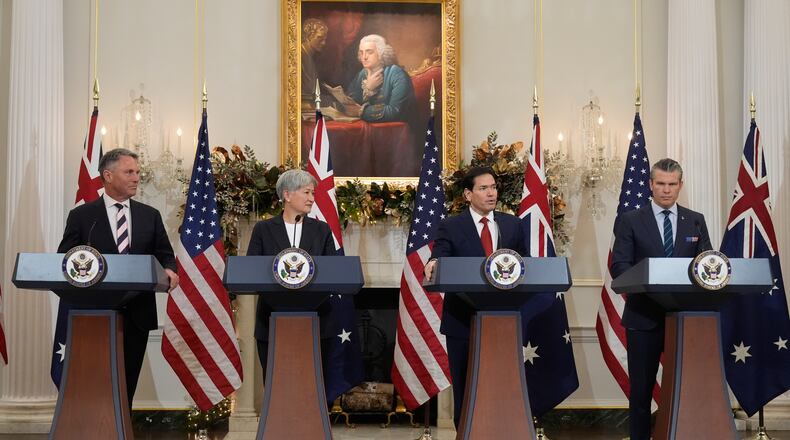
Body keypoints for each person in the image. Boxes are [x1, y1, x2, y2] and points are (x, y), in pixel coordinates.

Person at [57, 148, 179, 407]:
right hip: (94, 313)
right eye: (129, 172)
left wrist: (169, 270)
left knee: (127, 385)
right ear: (108, 175)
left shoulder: (150, 215)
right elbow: (64, 260)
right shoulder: (82, 217)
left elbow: (165, 255)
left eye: (137, 172)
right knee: (94, 385)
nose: (136, 177)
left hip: (138, 314)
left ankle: (123, 430)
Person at [610, 158, 712, 440]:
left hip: (686, 320)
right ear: (650, 185)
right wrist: (651, 283)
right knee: (641, 394)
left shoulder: (695, 220)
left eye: (672, 184)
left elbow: (707, 266)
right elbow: (619, 267)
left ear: (680, 185)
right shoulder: (630, 220)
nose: (666, 190)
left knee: (689, 389)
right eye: (661, 184)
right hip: (644, 318)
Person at [424, 166, 527, 427]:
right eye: (484, 188)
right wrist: (434, 262)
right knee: (466, 387)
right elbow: (441, 256)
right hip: (462, 320)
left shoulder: (513, 225)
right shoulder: (451, 225)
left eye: (493, 187)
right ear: (468, 194)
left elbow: (525, 268)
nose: (491, 193)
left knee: (502, 387)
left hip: (504, 321)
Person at [246, 169, 337, 378]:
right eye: (306, 193)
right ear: (287, 195)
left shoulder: (321, 230)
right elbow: (251, 270)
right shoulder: (264, 229)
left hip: (316, 322)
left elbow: (334, 269)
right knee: (276, 381)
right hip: (271, 320)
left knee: (312, 383)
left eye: (313, 194)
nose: (311, 199)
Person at [344, 34, 417, 123]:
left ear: (381, 53)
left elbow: (395, 111)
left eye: (369, 52)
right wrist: (368, 89)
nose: (364, 57)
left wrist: (362, 111)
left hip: (395, 130)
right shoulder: (362, 74)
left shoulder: (397, 74)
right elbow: (352, 103)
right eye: (361, 52)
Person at [301, 18, 329, 110]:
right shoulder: (299, 55)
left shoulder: (309, 56)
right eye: (319, 38)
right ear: (309, 36)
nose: (324, 43)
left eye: (324, 39)